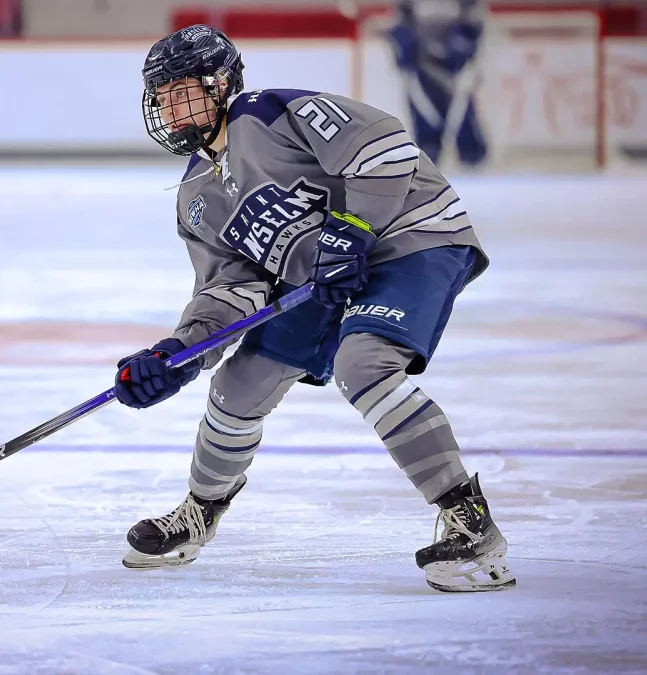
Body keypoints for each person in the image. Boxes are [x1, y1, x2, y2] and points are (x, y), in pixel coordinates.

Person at [112, 24, 513, 592]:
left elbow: (386, 147)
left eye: (186, 91)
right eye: (163, 96)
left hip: (409, 238)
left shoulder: (271, 113)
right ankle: (199, 513)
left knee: (364, 364)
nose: (173, 108)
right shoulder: (196, 197)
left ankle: (471, 524)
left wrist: (350, 231)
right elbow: (231, 290)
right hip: (324, 280)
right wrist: (176, 353)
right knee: (238, 383)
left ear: (222, 84)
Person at [386, 0, 489, 167]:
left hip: (455, 62)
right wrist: (405, 48)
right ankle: (429, 151)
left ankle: (471, 153)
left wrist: (464, 47)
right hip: (421, 62)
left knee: (460, 109)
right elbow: (401, 20)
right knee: (424, 109)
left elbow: (474, 18)